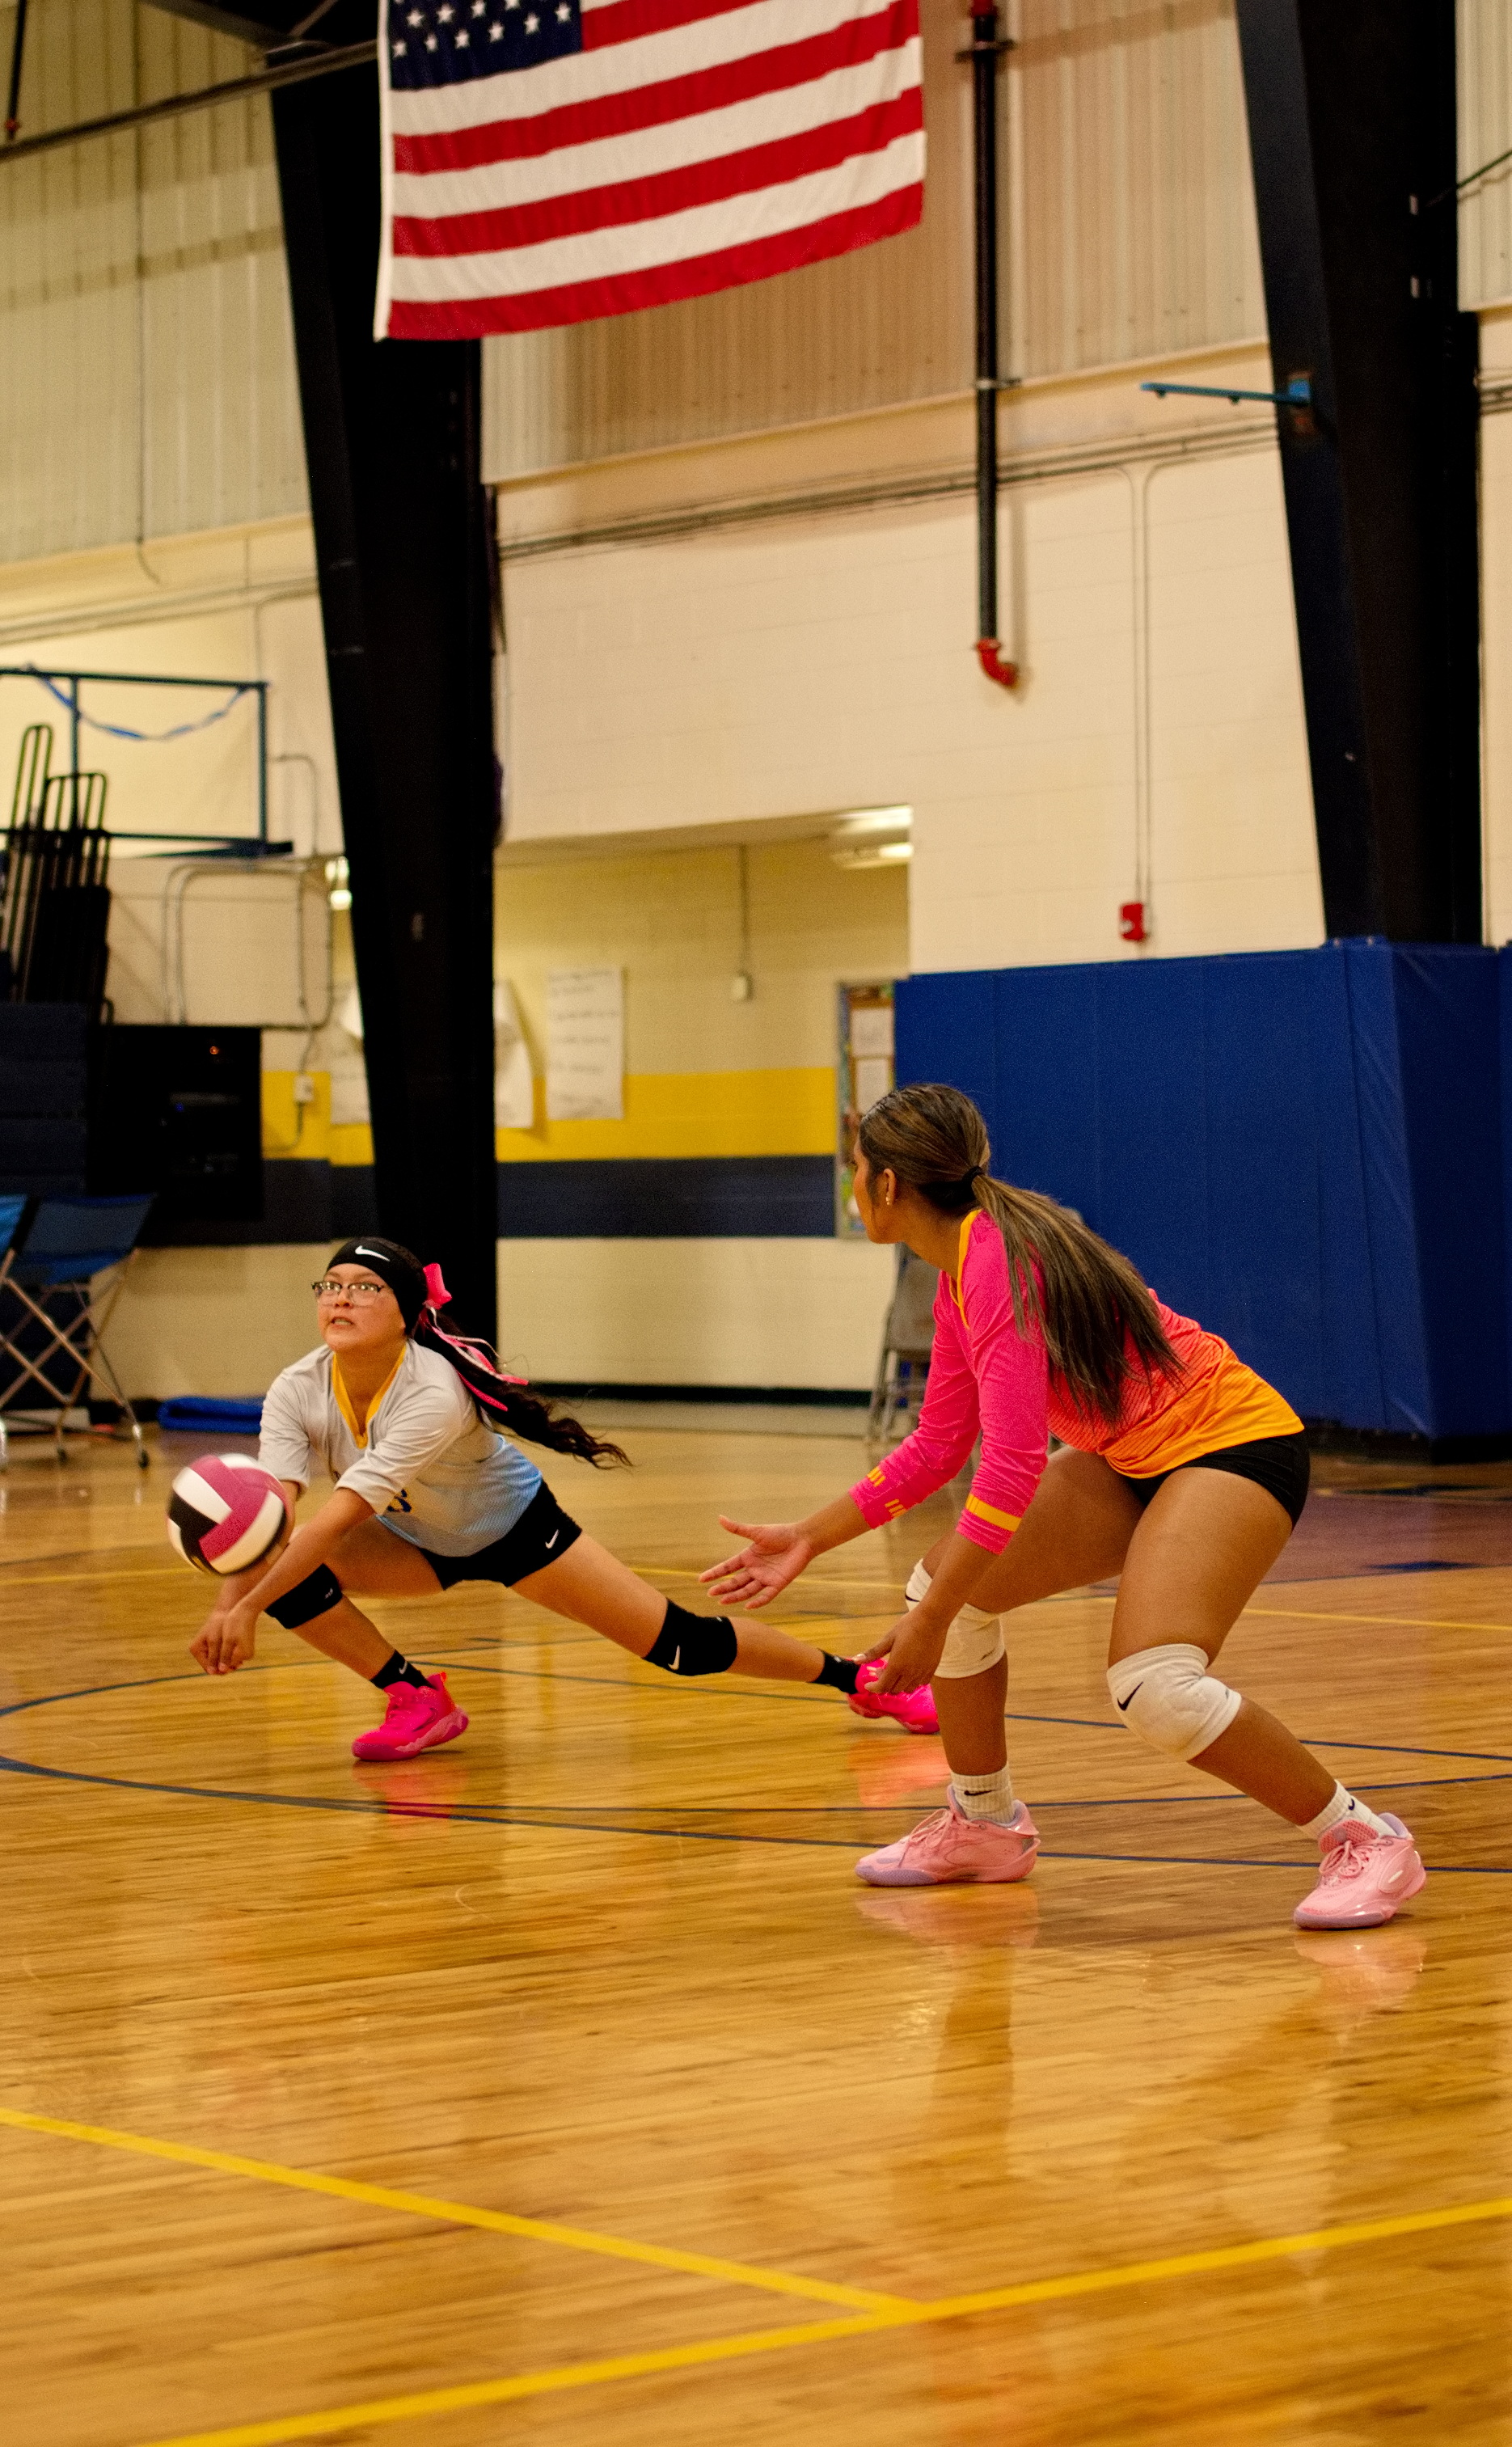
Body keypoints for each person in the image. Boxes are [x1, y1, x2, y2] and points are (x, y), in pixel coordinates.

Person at [703, 1084, 1425, 1933]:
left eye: (854, 1168)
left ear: (889, 1184)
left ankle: (1364, 1838)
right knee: (946, 1586)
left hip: (1232, 1447)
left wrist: (931, 1623)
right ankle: (984, 1822)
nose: (851, 1184)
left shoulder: (996, 1264)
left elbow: (1006, 1470)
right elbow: (939, 1445)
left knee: (1153, 1686)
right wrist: (810, 1537)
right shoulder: (958, 1272)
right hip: (1134, 1456)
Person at [190, 1238, 883, 1759]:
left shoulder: (430, 1391)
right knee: (278, 1571)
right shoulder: (297, 1386)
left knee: (678, 1644)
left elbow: (338, 1517)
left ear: (405, 1313)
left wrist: (243, 1608)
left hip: (517, 1532)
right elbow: (271, 1520)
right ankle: (417, 1698)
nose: (339, 1298)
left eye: (364, 1288)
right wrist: (233, 1600)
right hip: (419, 1542)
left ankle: (860, 1679)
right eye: (330, 1285)